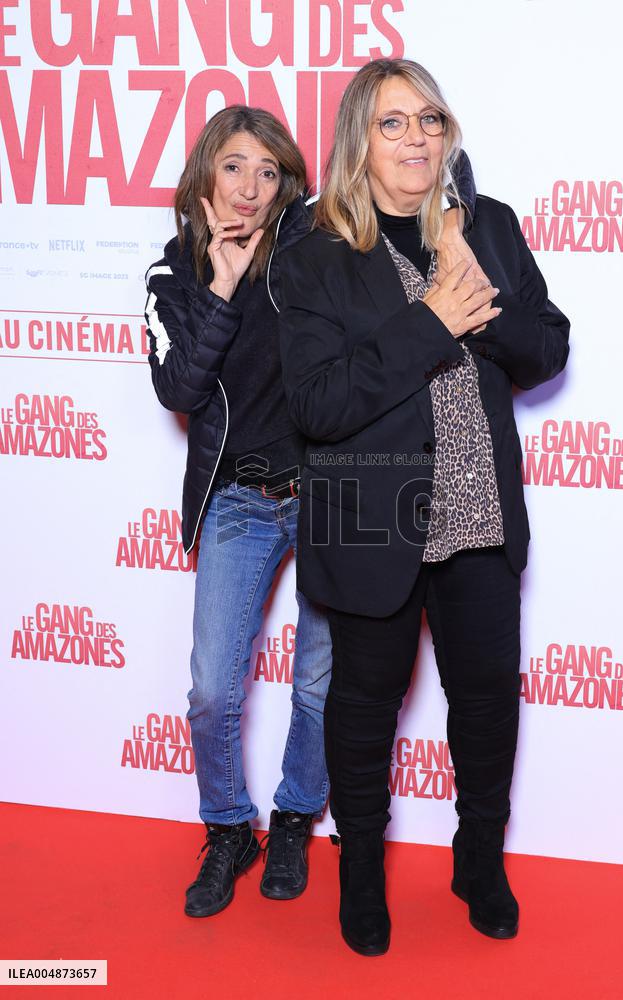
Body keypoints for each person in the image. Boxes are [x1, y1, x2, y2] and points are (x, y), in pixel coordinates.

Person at [279, 59, 570, 956]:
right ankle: (361, 874)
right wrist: (433, 319)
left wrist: (476, 298)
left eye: (429, 119)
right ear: (358, 141)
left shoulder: (489, 226)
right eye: (392, 122)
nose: (416, 138)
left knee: (486, 704)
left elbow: (547, 349)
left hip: (479, 512)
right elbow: (318, 405)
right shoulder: (315, 252)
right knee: (364, 708)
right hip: (371, 525)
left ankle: (479, 860)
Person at [143, 105, 333, 916]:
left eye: (267, 171)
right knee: (212, 692)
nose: (250, 187)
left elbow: (406, 186)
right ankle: (228, 828)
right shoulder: (173, 275)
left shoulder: (312, 246)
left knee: (321, 682)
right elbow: (178, 390)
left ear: (285, 182)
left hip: (327, 492)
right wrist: (221, 286)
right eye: (234, 167)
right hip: (238, 500)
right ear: (205, 175)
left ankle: (294, 816)